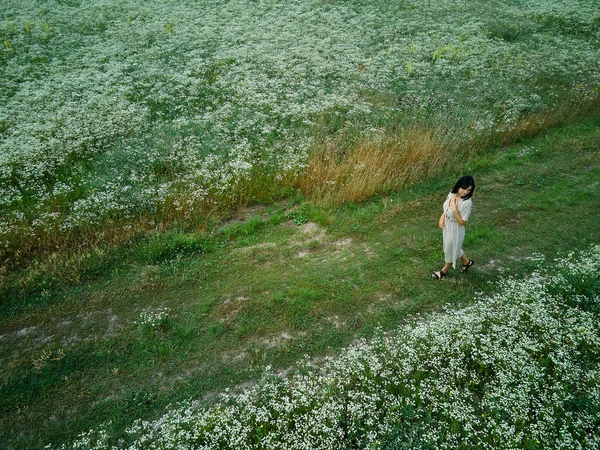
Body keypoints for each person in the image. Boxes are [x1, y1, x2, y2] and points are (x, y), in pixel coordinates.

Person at [432, 176, 475, 279]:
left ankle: (443, 271)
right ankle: (466, 262)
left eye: (469, 190)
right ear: (459, 186)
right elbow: (446, 207)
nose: (465, 192)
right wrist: (442, 217)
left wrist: (455, 210)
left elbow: (462, 222)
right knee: (453, 246)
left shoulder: (467, 203)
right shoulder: (452, 192)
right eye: (464, 188)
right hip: (447, 225)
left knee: (450, 249)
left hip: (456, 228)